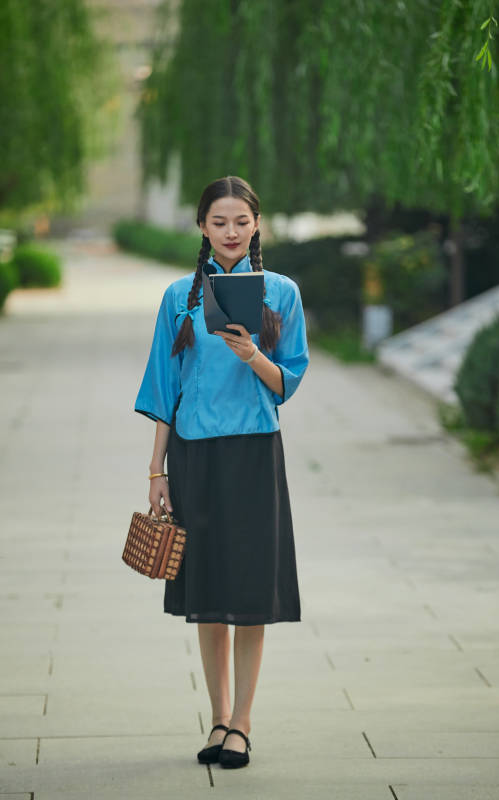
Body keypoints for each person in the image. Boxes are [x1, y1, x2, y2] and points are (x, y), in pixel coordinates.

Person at [134, 175, 309, 769]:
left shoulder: (282, 294)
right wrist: (155, 471)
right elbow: (164, 386)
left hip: (254, 453)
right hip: (194, 455)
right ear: (202, 228)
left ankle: (243, 723)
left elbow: (287, 383)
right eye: (218, 222)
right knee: (207, 593)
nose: (230, 232)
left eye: (240, 221)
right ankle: (216, 718)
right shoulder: (178, 297)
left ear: (257, 224)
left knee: (251, 592)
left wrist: (253, 354)